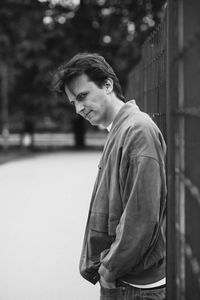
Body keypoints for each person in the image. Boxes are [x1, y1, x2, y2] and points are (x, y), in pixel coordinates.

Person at [52, 53, 166, 300]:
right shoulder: (120, 129)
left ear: (107, 85)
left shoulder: (137, 130)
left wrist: (109, 270)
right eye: (73, 102)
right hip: (127, 280)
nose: (79, 109)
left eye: (82, 96)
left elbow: (142, 217)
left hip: (136, 287)